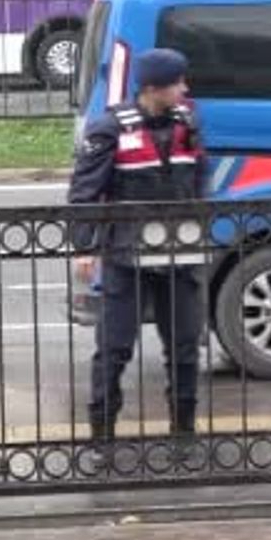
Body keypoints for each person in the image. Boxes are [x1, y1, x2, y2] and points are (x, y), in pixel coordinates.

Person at [69, 48, 207, 455]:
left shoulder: (188, 123)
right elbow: (84, 192)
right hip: (126, 257)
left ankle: (183, 434)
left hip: (179, 255)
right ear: (151, 88)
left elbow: (200, 180)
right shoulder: (110, 129)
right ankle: (103, 438)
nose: (185, 88)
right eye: (177, 82)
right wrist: (84, 246)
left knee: (184, 346)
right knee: (114, 348)